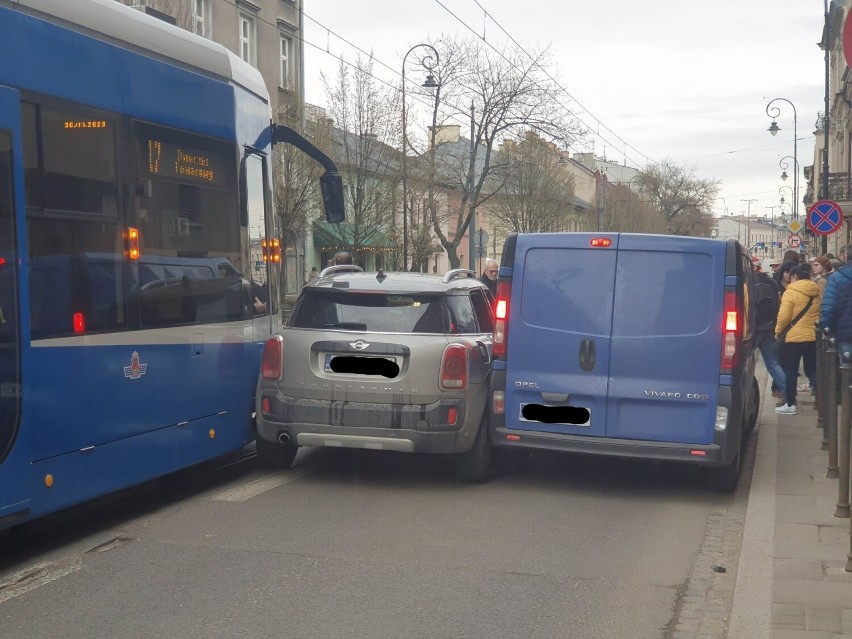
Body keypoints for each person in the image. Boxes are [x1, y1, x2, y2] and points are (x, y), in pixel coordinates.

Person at [775, 263, 821, 415]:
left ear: (794, 276)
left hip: (794, 338)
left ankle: (790, 403)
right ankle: (822, 400)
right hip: (812, 336)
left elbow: (784, 317)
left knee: (791, 371)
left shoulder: (790, 292)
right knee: (812, 370)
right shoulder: (815, 291)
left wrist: (778, 331)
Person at [753, 263, 786, 404]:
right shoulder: (770, 283)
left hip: (755, 329)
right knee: (772, 363)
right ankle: (789, 392)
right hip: (768, 327)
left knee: (742, 363)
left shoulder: (749, 282)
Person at [820, 243, 852, 365]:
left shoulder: (836, 278)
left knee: (847, 369)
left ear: (844, 257)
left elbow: (829, 308)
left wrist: (825, 328)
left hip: (844, 333)